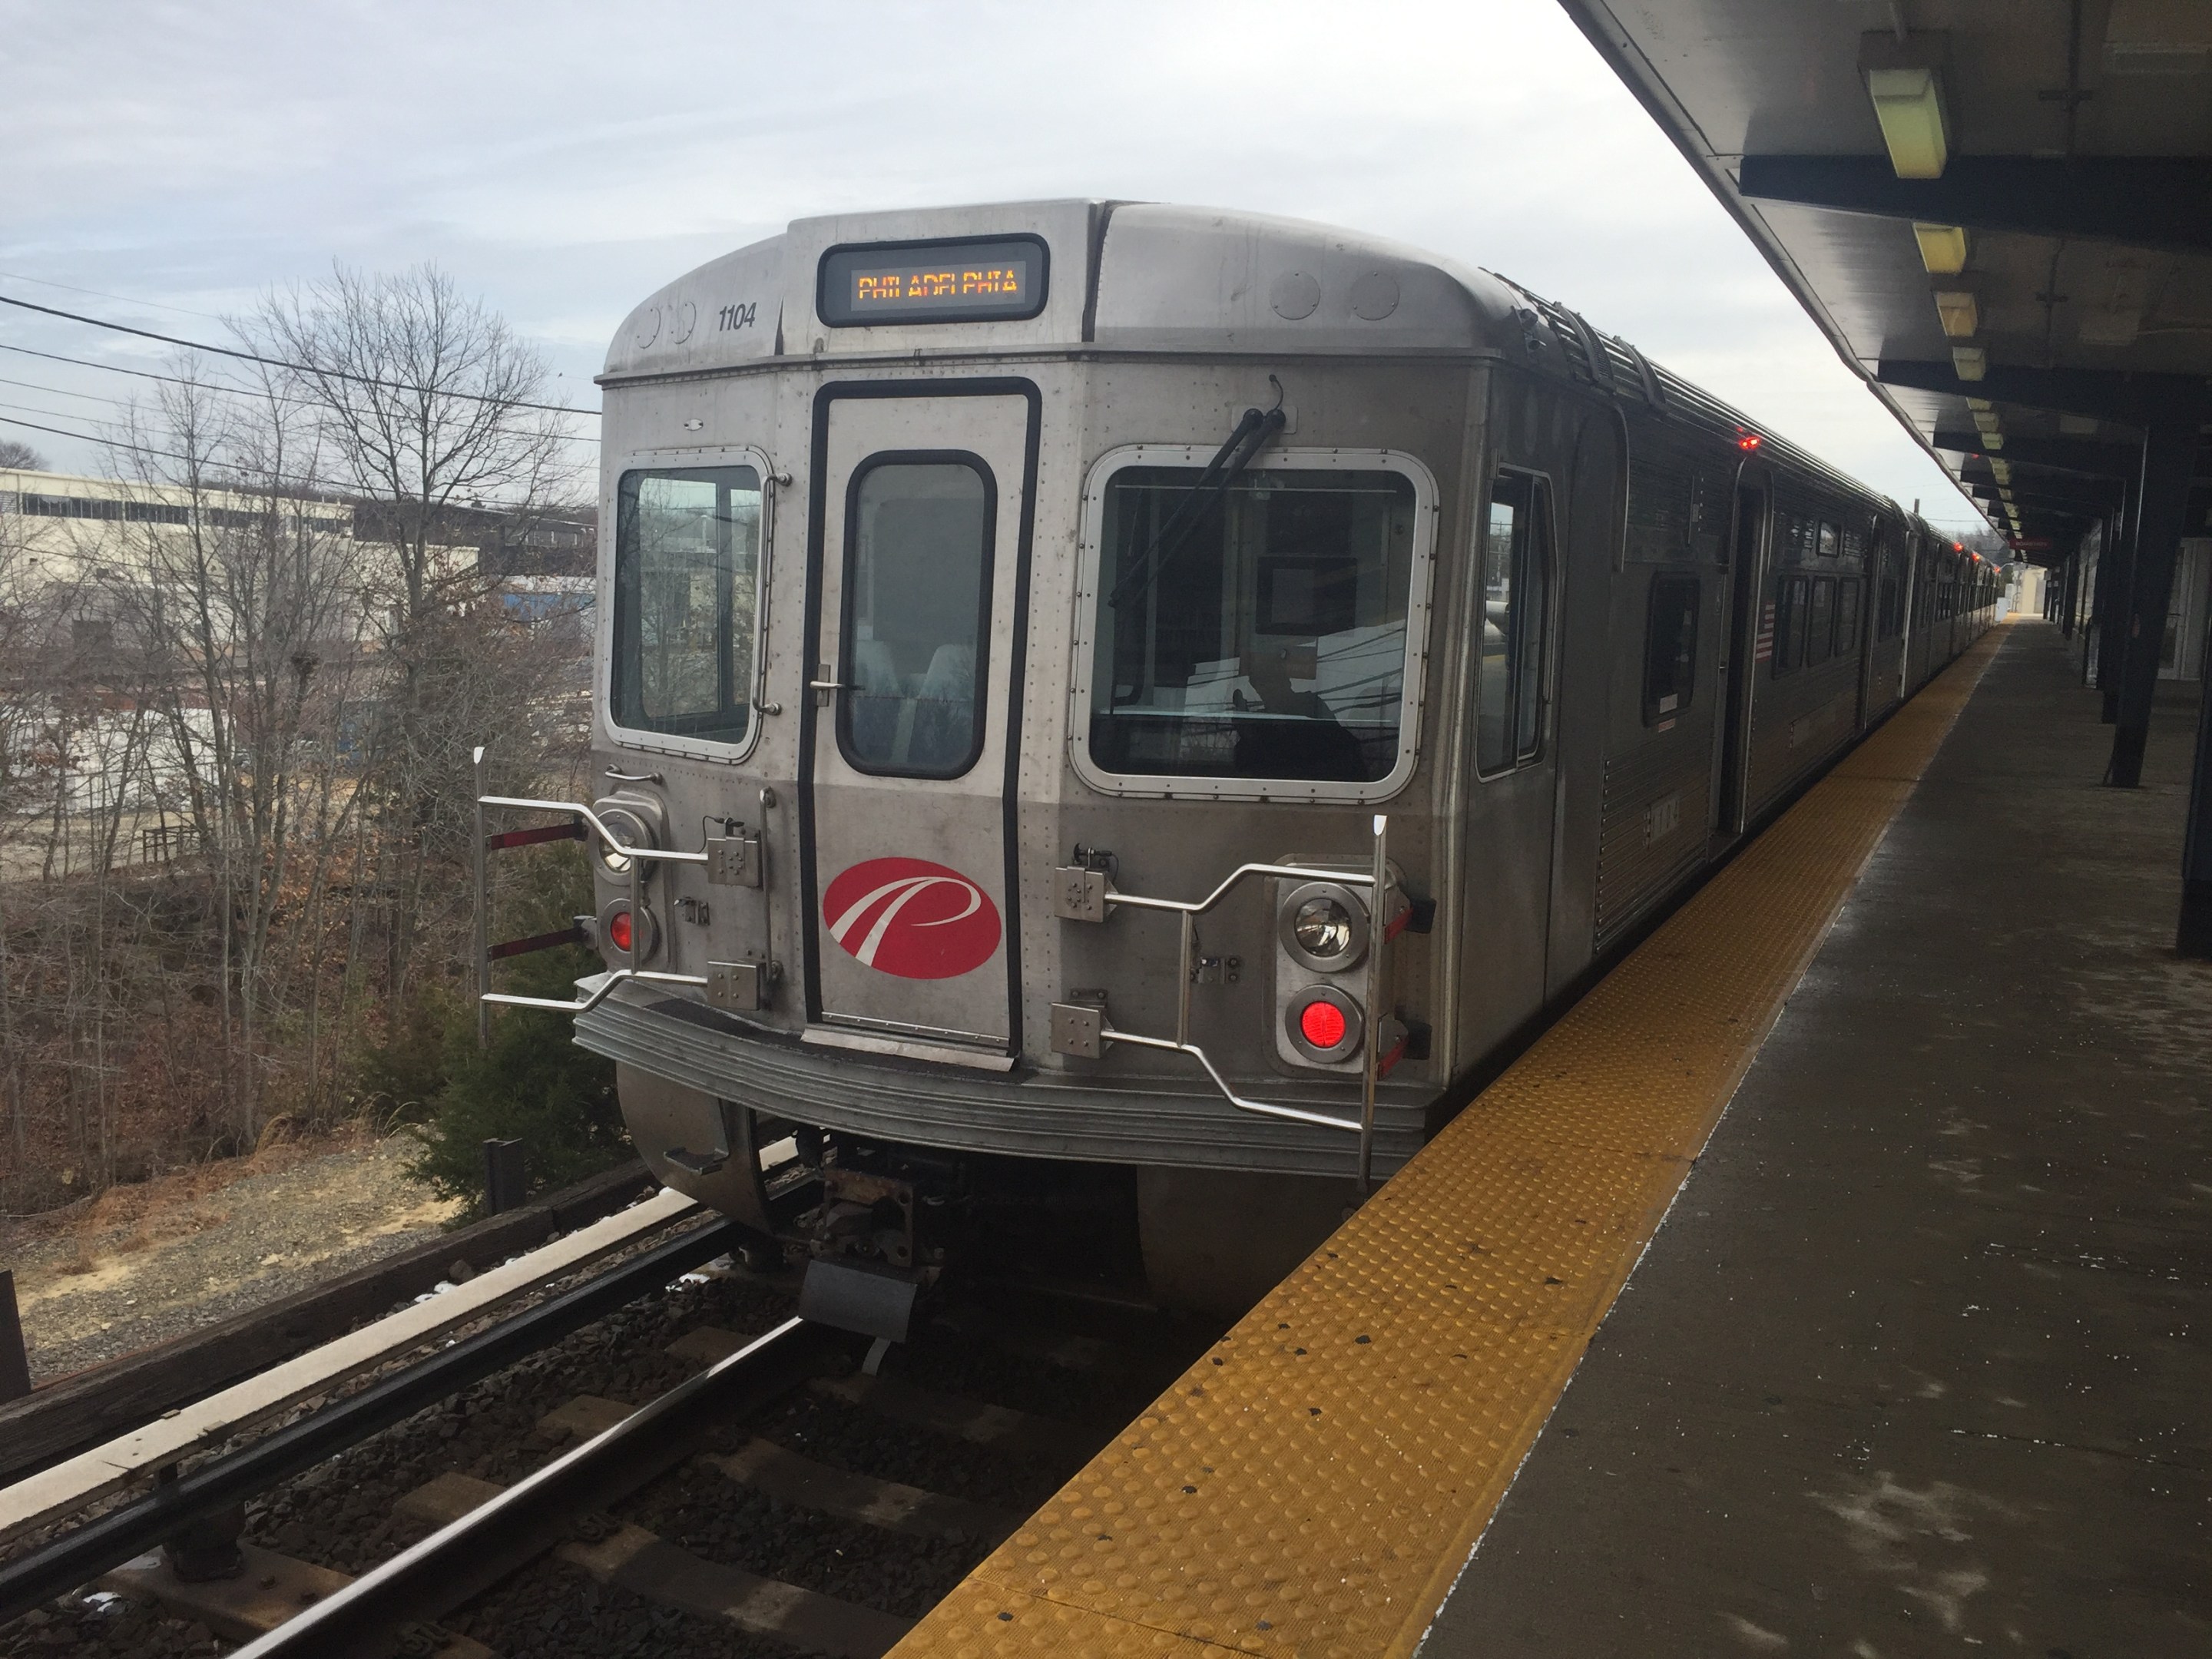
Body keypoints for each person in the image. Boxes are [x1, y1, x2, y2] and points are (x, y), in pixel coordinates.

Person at [1232, 644, 1367, 780]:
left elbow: (1340, 746)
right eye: (1260, 684)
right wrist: (1247, 733)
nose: (1266, 689)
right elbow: (1243, 767)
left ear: (1286, 682)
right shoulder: (1259, 721)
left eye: (1272, 681)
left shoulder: (1309, 705)